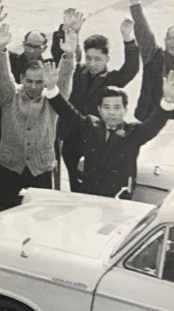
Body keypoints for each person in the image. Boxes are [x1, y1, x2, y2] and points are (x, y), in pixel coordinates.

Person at [51, 70, 174, 199]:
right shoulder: (90, 127)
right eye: (106, 107)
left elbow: (155, 123)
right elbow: (67, 112)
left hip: (119, 201)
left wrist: (168, 100)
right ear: (99, 110)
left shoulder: (133, 133)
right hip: (89, 199)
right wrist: (51, 88)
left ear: (125, 110)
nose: (111, 112)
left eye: (117, 107)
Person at [0, 22, 75, 211]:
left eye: (39, 82)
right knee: (7, 216)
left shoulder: (52, 99)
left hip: (40, 170)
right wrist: (0, 49)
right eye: (29, 81)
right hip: (10, 168)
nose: (34, 86)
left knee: (38, 217)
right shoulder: (9, 96)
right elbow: (1, 76)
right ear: (21, 79)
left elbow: (64, 82)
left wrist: (68, 56)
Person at [59, 20, 141, 192]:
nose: (92, 64)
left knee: (94, 183)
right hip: (71, 137)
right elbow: (63, 59)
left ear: (107, 59)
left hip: (97, 141)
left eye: (98, 59)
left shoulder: (112, 79)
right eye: (89, 58)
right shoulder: (77, 72)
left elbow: (131, 69)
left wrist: (128, 39)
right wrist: (69, 32)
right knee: (74, 182)